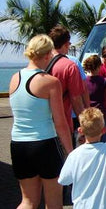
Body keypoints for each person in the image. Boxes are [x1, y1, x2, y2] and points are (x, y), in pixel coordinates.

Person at [9, 34, 73, 208]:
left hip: (19, 145)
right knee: (54, 202)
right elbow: (60, 123)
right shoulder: (51, 82)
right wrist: (70, 152)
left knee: (28, 201)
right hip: (44, 144)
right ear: (46, 55)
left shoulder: (14, 78)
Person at [58, 107, 106, 209]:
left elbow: (63, 179)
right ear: (104, 130)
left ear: (80, 130)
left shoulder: (74, 155)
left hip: (83, 205)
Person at [48, 25, 85, 135]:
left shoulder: (41, 62)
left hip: (43, 125)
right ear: (65, 44)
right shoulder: (70, 66)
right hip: (62, 123)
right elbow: (76, 100)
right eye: (69, 44)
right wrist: (84, 123)